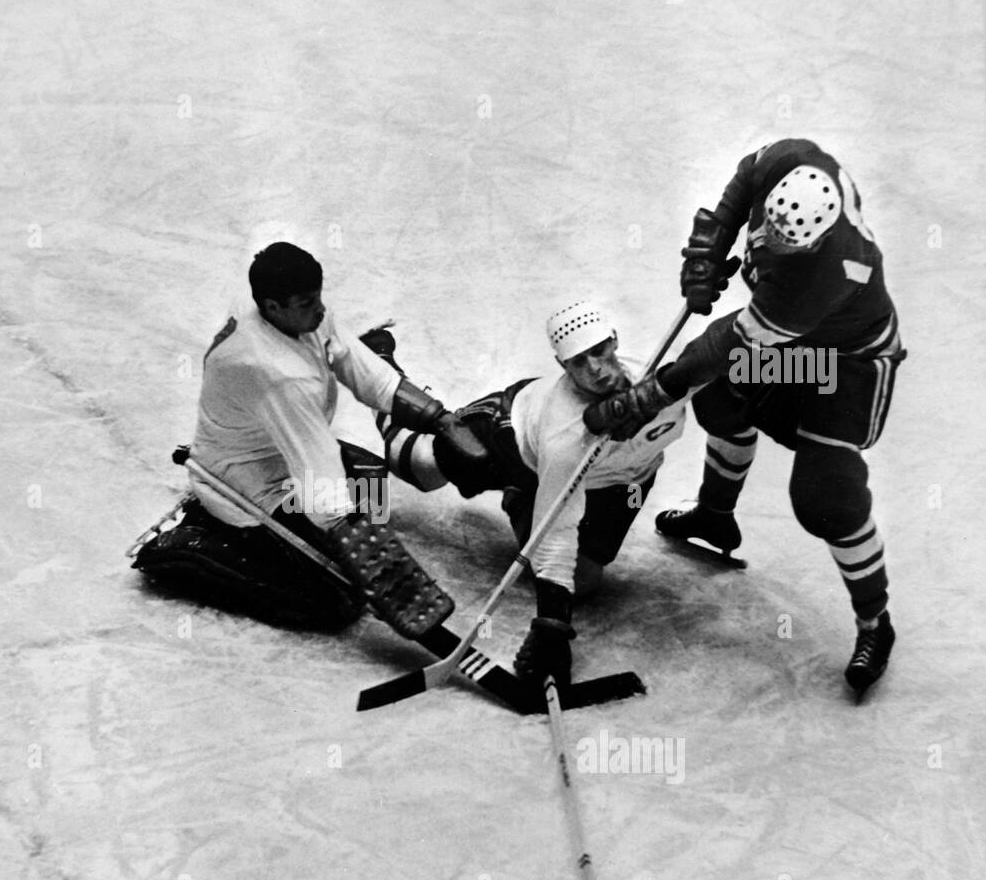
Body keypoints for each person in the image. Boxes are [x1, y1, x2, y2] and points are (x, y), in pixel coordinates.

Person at [581, 138, 904, 696]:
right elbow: (739, 188)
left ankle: (877, 621)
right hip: (794, 347)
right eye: (768, 230)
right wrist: (707, 253)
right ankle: (714, 516)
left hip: (844, 366)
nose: (771, 246)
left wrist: (648, 397)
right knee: (720, 400)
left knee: (825, 496)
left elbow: (725, 345)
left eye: (787, 243)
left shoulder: (827, 276)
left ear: (818, 236)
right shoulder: (788, 159)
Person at [132, 241, 486, 639]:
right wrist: (360, 549)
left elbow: (364, 369)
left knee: (371, 485)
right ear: (272, 307)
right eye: (306, 303)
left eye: (318, 298)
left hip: (285, 448)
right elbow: (316, 464)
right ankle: (196, 544)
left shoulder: (300, 314)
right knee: (333, 603)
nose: (319, 309)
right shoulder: (273, 372)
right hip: (247, 484)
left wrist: (438, 418)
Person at [372, 300, 687, 693]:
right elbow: (559, 532)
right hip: (507, 442)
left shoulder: (666, 377)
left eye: (600, 351)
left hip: (621, 481)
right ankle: (381, 367)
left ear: (615, 340)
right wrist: (553, 625)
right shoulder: (565, 432)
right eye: (578, 362)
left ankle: (525, 499)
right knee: (415, 463)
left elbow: (725, 362)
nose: (595, 370)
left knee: (584, 584)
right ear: (562, 367)